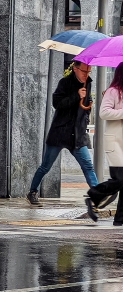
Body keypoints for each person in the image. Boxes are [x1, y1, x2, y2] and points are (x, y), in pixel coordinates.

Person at [26, 61, 98, 207]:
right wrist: (76, 96)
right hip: (60, 132)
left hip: (77, 134)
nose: (86, 75)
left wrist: (86, 109)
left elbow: (84, 108)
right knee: (46, 166)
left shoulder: (87, 83)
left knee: (88, 165)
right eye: (84, 71)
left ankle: (97, 194)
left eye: (89, 71)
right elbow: (57, 103)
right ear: (75, 69)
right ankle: (32, 192)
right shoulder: (64, 82)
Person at [85, 62, 123, 226]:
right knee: (120, 180)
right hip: (115, 141)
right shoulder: (112, 92)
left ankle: (122, 217)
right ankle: (93, 196)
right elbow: (104, 113)